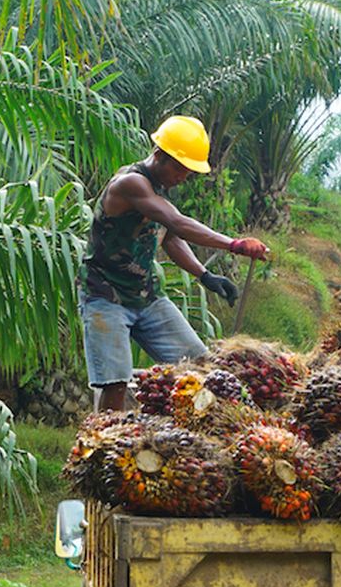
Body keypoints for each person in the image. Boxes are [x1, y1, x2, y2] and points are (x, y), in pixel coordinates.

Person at [80, 115, 269, 410]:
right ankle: (103, 443)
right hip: (106, 296)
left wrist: (205, 276)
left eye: (189, 172)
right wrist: (233, 244)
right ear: (159, 156)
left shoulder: (158, 190)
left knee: (199, 366)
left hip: (147, 296)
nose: (183, 177)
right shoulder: (131, 183)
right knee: (115, 383)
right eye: (180, 168)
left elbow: (169, 238)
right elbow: (176, 223)